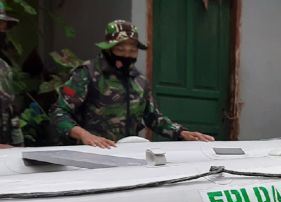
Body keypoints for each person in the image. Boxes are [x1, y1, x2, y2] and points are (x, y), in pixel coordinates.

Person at [50, 20, 214, 148]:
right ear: (108, 49)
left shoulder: (139, 82)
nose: (127, 55)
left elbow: (153, 117)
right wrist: (84, 135)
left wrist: (182, 132)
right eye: (121, 50)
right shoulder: (87, 74)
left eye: (132, 51)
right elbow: (59, 112)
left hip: (128, 153)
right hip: (89, 153)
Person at [0, 1, 23, 149]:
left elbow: (10, 109)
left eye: (3, 26)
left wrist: (19, 146)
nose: (2, 30)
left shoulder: (4, 66)